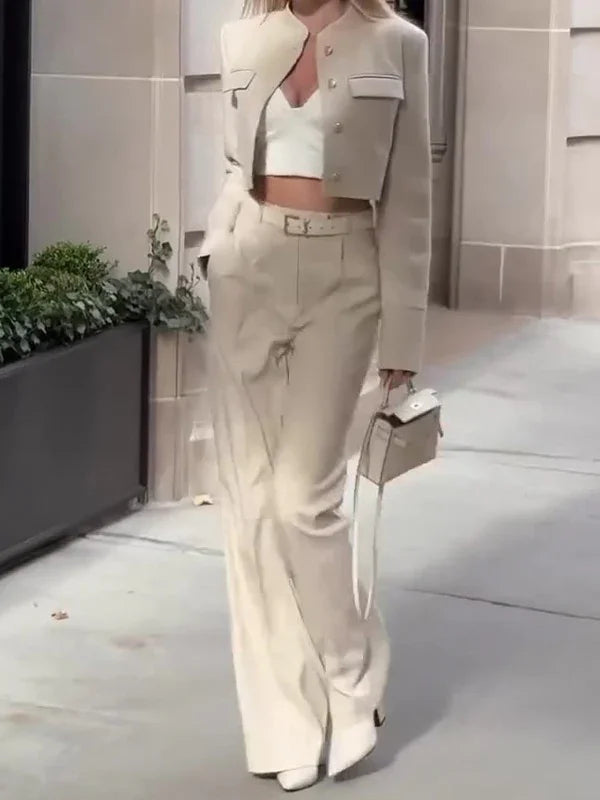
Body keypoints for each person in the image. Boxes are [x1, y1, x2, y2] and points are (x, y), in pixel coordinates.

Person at [200, 0, 431, 791]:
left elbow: (410, 199)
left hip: (347, 277)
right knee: (253, 505)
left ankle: (351, 680)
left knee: (305, 499)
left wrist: (406, 336)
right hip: (248, 269)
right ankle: (283, 723)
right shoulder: (242, 34)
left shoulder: (400, 42)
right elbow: (234, 165)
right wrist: (214, 253)